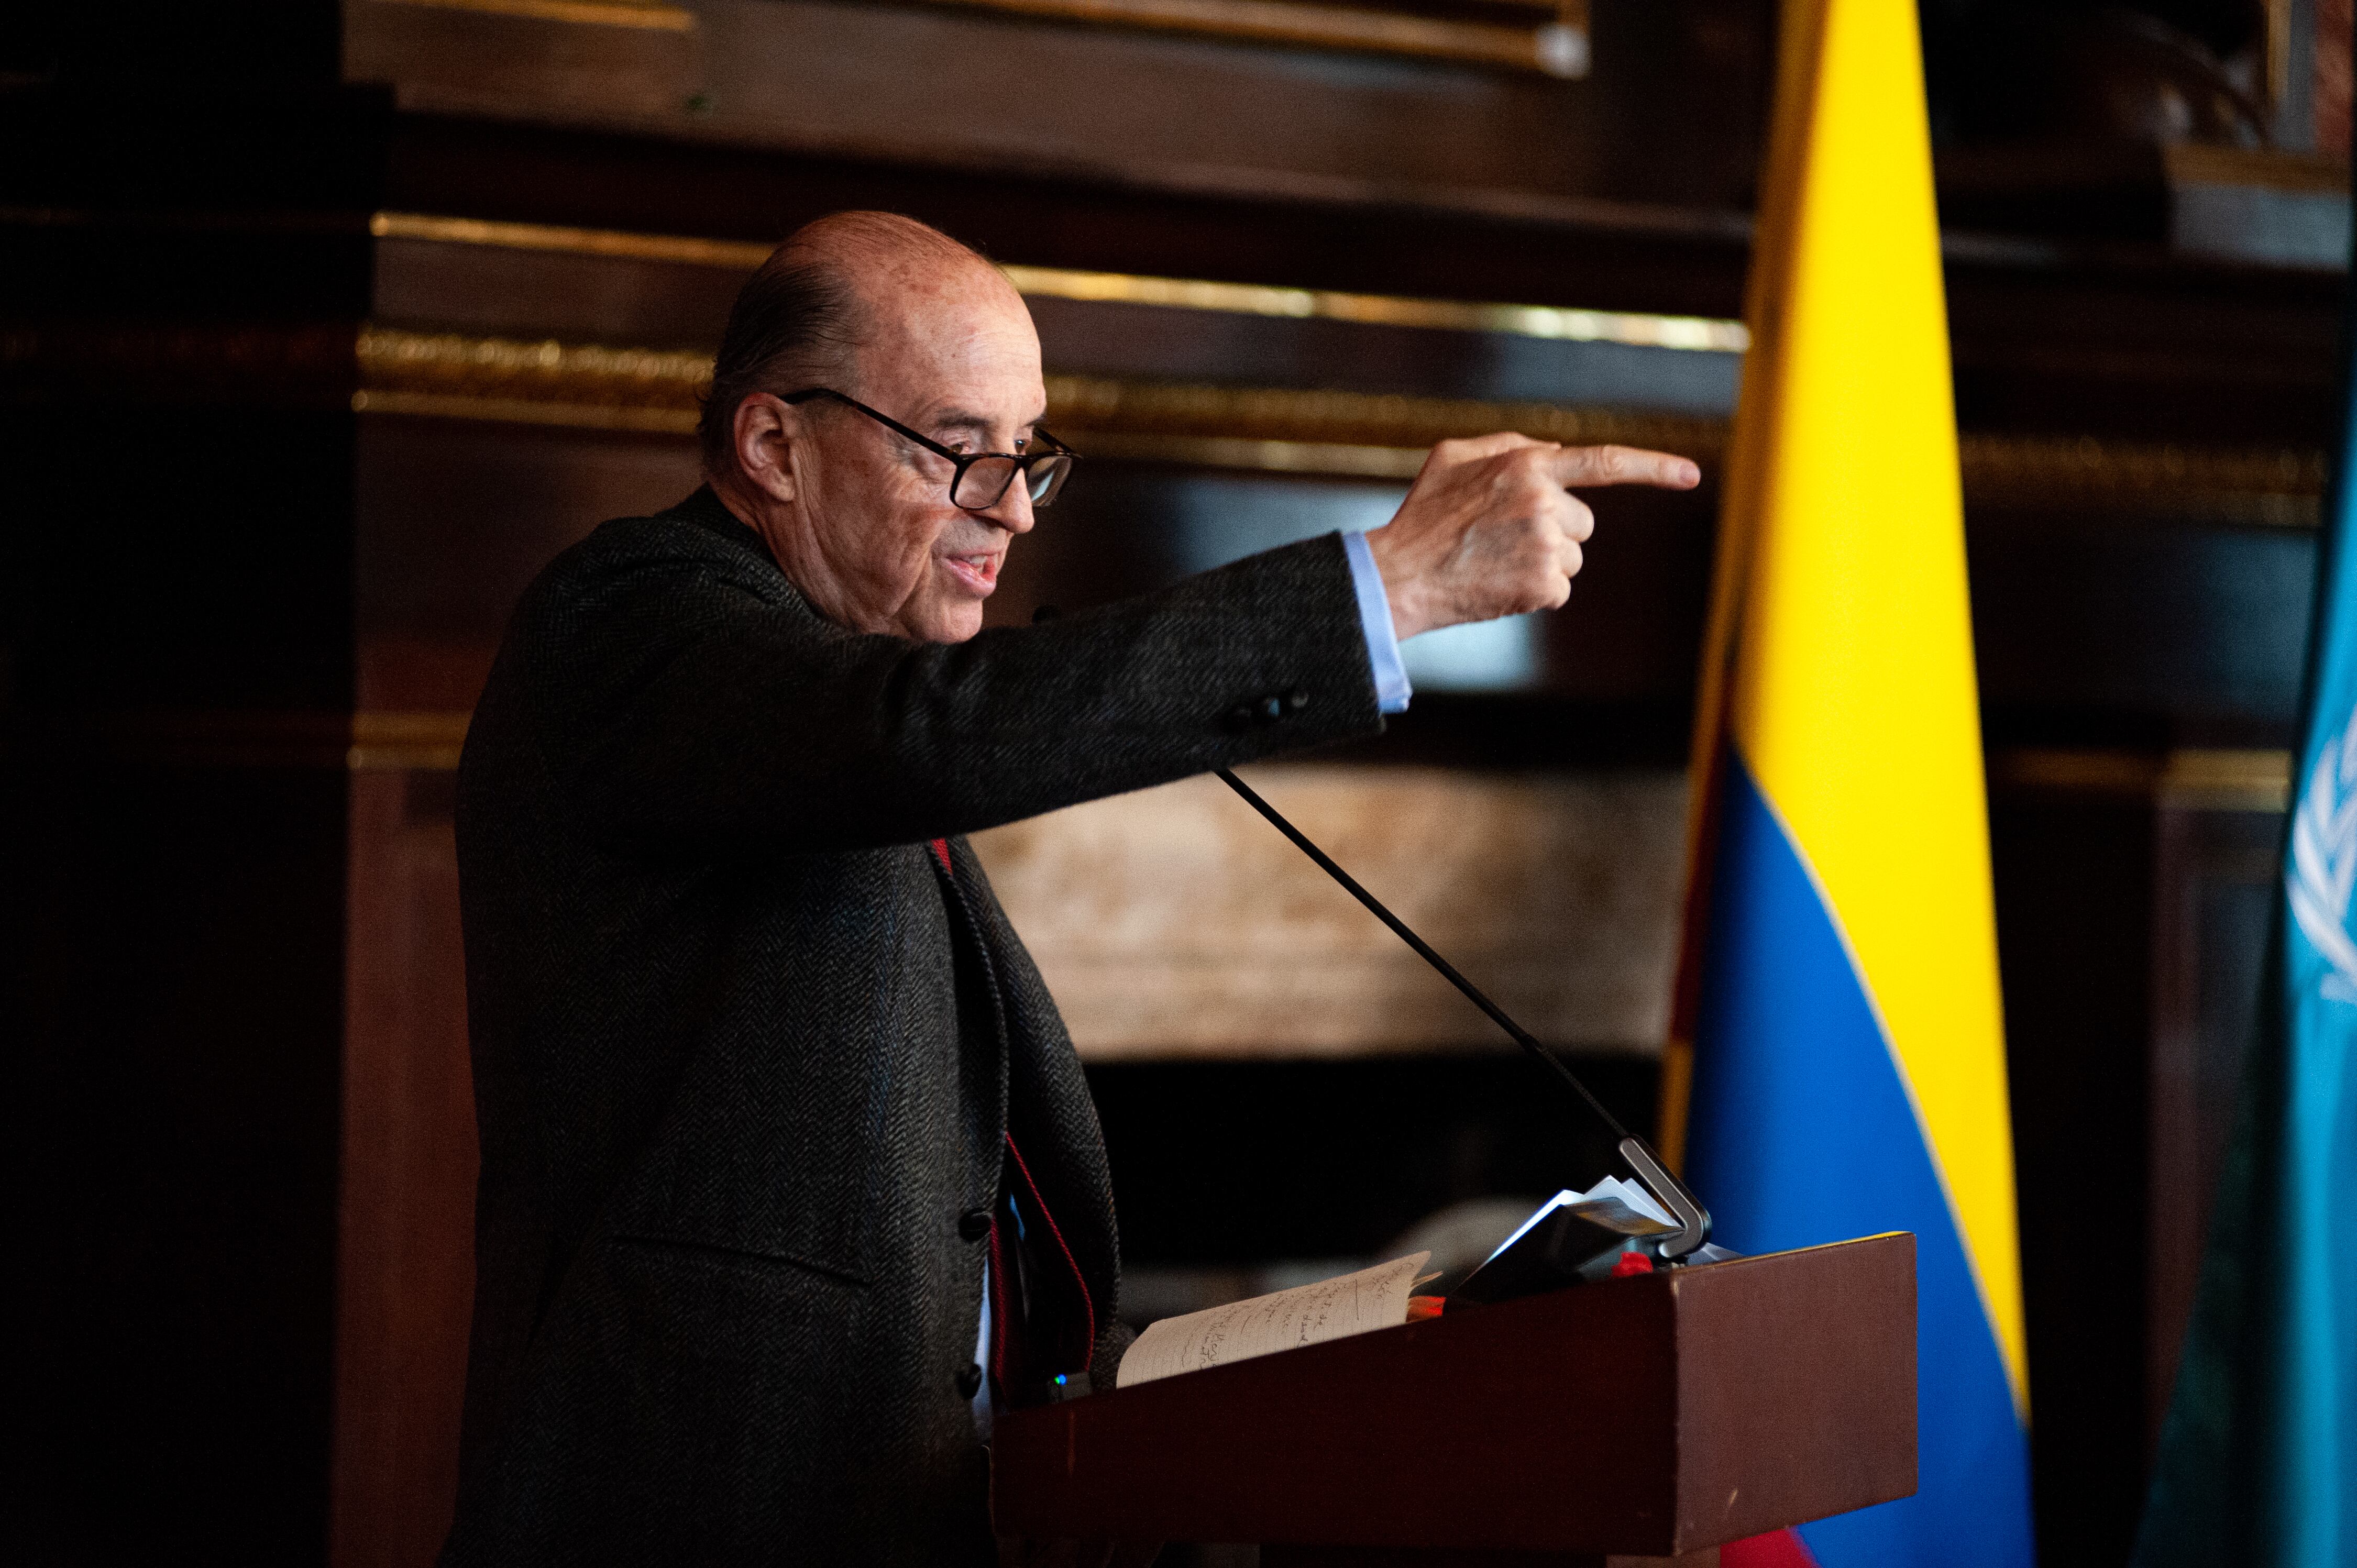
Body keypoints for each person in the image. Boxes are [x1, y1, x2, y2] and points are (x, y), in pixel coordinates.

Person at [442, 211, 1699, 1567]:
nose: (1014, 506)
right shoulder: (626, 619)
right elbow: (918, 735)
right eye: (956, 449)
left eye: (1028, 451)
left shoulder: (845, 695)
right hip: (684, 1502)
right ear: (772, 445)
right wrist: (1380, 589)